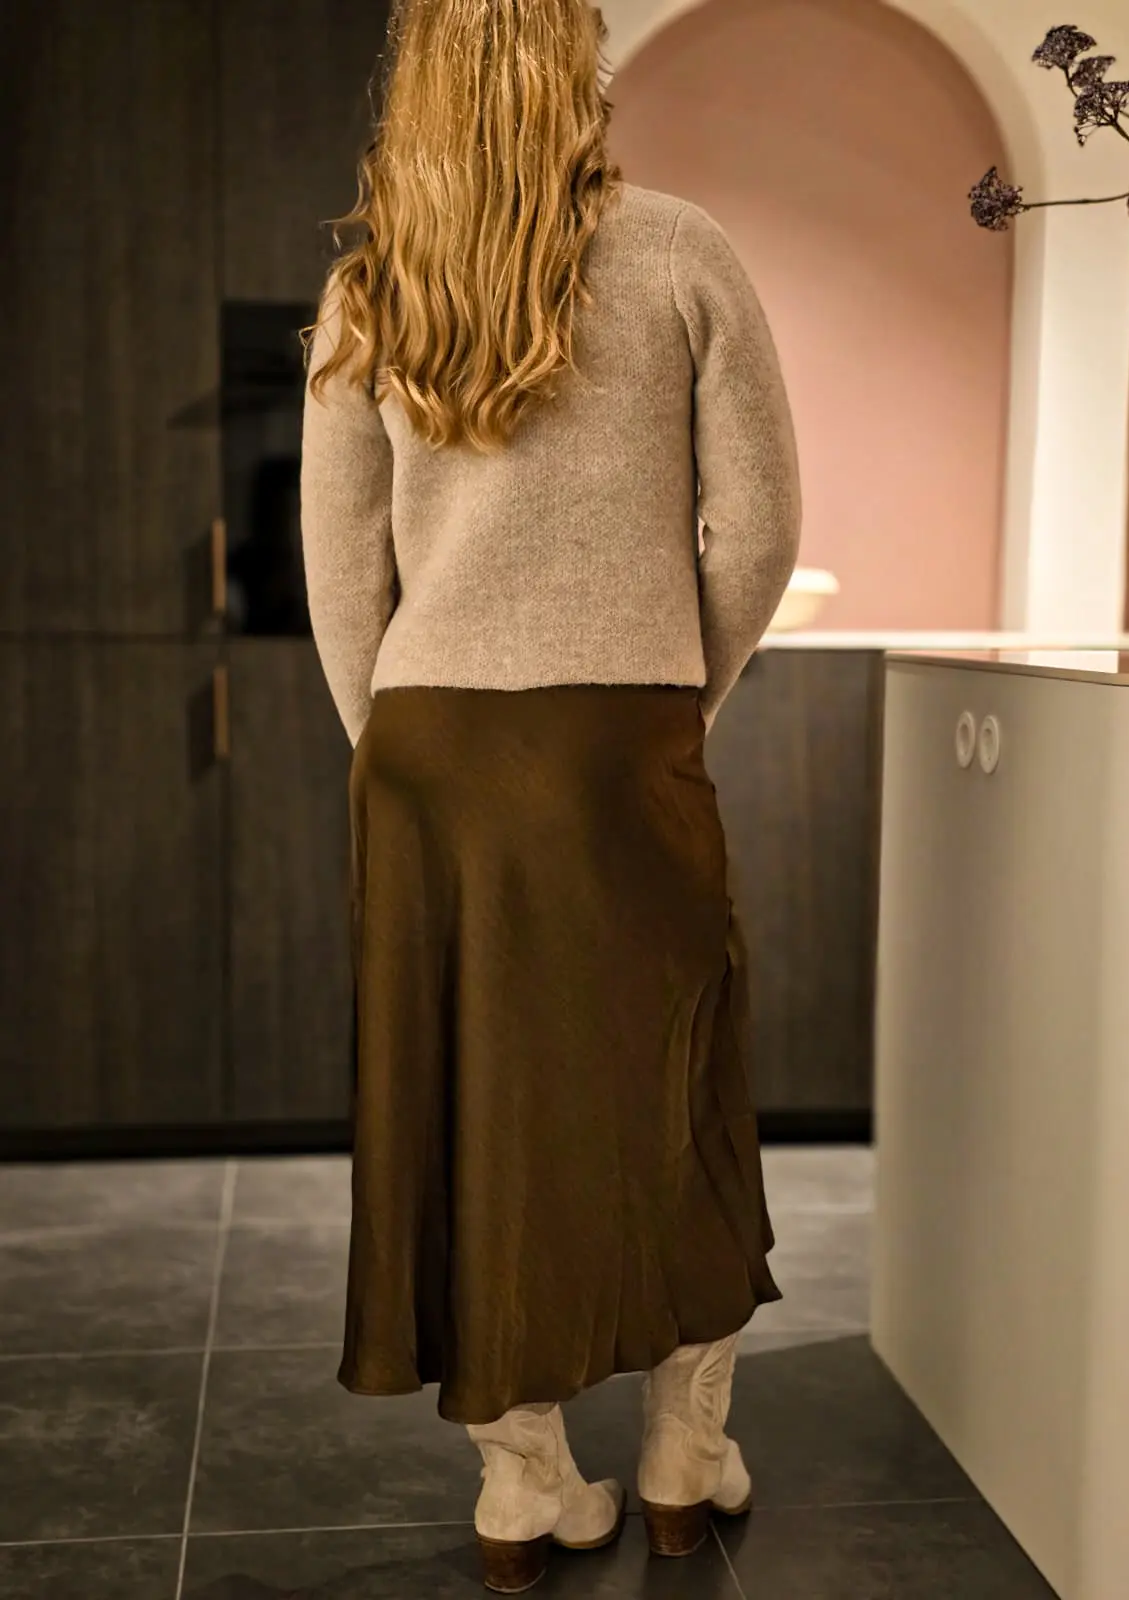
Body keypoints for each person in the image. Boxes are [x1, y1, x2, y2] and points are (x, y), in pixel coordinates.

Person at [299, 1, 801, 1592]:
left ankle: (524, 1489)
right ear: (576, 66)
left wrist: (396, 744)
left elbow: (341, 566)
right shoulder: (681, 251)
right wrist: (674, 698)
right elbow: (758, 529)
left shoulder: (374, 284)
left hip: (428, 754)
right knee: (675, 1088)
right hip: (616, 737)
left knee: (471, 1113)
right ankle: (682, 1453)